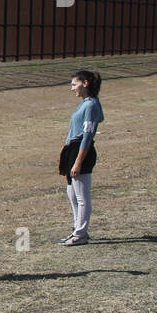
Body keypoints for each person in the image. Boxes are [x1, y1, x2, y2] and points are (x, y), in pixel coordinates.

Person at [59, 70, 103, 246]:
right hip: (72, 149)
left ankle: (81, 233)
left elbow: (88, 135)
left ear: (85, 84)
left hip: (81, 150)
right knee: (72, 192)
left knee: (81, 195)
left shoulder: (91, 105)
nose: (72, 88)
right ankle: (77, 228)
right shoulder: (87, 104)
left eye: (74, 84)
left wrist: (78, 161)